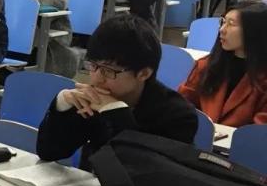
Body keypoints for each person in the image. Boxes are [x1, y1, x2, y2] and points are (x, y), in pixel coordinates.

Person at [36, 14, 197, 170]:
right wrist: (63, 104)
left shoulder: (179, 116)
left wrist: (115, 111)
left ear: (143, 73)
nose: (97, 78)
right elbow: (49, 152)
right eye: (93, 66)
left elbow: (143, 170)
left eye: (108, 71)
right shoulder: (93, 99)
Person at [178, 0, 267, 126]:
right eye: (223, 22)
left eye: (231, 24)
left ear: (253, 31)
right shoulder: (206, 65)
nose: (222, 30)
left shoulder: (263, 77)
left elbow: (260, 129)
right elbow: (183, 104)